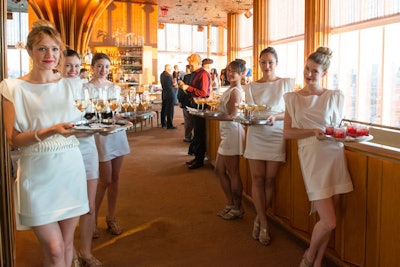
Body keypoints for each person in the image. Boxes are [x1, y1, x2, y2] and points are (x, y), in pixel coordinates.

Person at [0, 20, 89, 266]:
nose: (49, 55)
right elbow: (13, 139)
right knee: (54, 248)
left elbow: (85, 124)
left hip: (70, 168)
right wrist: (49, 131)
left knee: (68, 245)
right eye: (41, 49)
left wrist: (91, 130)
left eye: (54, 49)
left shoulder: (71, 86)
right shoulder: (12, 88)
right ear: (29, 51)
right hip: (37, 173)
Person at [283, 47, 353, 267]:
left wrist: (345, 133)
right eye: (307, 68)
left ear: (324, 73)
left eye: (314, 70)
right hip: (311, 156)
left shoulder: (334, 96)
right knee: (329, 221)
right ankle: (309, 256)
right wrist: (311, 131)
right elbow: (287, 132)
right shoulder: (293, 98)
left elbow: (337, 127)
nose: (309, 74)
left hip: (334, 155)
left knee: (330, 219)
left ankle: (318, 261)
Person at [242, 47, 294, 246]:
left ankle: (258, 218)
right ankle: (264, 223)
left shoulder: (285, 84)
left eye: (270, 62)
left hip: (275, 133)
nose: (266, 66)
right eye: (263, 62)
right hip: (256, 133)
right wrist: (245, 119)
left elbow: (289, 112)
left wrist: (276, 116)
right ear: (259, 63)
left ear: (276, 63)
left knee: (270, 180)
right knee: (257, 178)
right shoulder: (252, 86)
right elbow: (249, 111)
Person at [60, 49, 102, 266]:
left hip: (87, 147)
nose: (73, 70)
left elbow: (93, 115)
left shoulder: (86, 88)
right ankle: (71, 252)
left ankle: (86, 251)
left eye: (77, 66)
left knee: (88, 204)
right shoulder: (54, 89)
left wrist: (99, 124)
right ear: (58, 66)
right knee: (67, 205)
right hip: (63, 149)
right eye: (68, 65)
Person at [85, 53, 131, 239]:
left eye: (106, 66)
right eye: (99, 66)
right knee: (105, 180)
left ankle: (111, 217)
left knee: (116, 178)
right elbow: (87, 114)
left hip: (116, 134)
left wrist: (123, 118)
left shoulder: (115, 88)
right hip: (100, 136)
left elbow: (116, 112)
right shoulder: (86, 88)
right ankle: (93, 219)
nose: (103, 70)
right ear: (92, 67)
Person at [214, 60, 246, 220]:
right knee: (219, 169)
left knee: (233, 172)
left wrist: (211, 116)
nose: (230, 73)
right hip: (226, 132)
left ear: (242, 74)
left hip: (233, 132)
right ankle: (230, 203)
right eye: (228, 70)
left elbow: (233, 116)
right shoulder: (231, 89)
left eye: (234, 71)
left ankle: (237, 207)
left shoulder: (236, 92)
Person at [179, 54, 211, 169]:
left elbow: (203, 93)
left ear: (198, 63)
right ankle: (197, 157)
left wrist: (188, 88)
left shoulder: (203, 74)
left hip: (200, 106)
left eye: (191, 64)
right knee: (196, 133)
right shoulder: (195, 74)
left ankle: (199, 160)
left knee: (199, 133)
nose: (190, 66)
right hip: (194, 104)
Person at [177, 65, 194, 142]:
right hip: (194, 101)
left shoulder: (186, 78)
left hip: (186, 101)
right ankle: (192, 136)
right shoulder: (196, 77)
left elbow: (181, 91)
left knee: (187, 119)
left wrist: (180, 100)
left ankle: (187, 136)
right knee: (192, 120)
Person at [160, 64, 178, 129]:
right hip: (170, 93)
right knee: (170, 110)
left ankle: (163, 123)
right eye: (170, 68)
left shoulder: (162, 75)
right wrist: (175, 84)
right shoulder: (168, 76)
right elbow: (174, 84)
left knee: (164, 109)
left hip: (164, 93)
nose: (171, 69)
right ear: (168, 68)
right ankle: (169, 125)